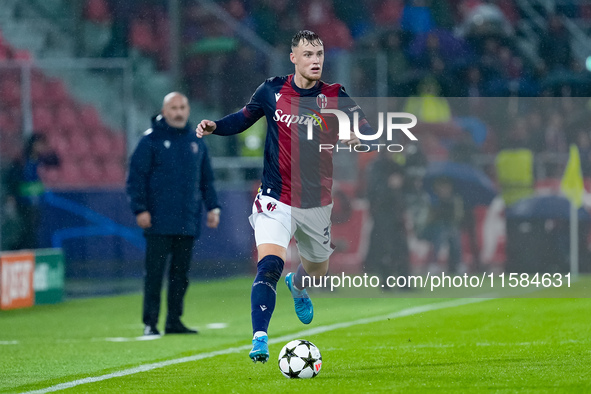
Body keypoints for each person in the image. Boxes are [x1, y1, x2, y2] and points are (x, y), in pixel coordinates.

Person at [197, 30, 374, 363]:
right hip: (274, 198)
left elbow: (364, 125)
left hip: (316, 200)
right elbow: (242, 119)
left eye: (319, 54)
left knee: (317, 270)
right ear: (293, 58)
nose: (316, 60)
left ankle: (299, 283)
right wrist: (215, 126)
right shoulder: (272, 89)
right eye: (308, 54)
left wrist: (355, 134)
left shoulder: (335, 95)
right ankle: (259, 338)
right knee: (269, 265)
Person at [127, 92, 220, 336]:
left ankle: (174, 321)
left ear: (188, 110)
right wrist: (140, 208)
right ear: (164, 111)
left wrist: (213, 207)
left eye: (182, 107)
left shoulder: (196, 140)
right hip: (157, 220)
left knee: (181, 276)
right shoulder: (150, 141)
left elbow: (206, 179)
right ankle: (150, 323)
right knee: (155, 275)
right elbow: (136, 178)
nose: (178, 112)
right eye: (174, 108)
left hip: (187, 220)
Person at [5, 133, 60, 250]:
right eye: (40, 144)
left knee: (34, 230)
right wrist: (12, 197)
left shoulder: (41, 160)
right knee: (25, 232)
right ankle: (19, 253)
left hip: (37, 203)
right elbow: (12, 179)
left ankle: (30, 252)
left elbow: (56, 161)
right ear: (33, 144)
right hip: (24, 203)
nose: (42, 147)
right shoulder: (22, 160)